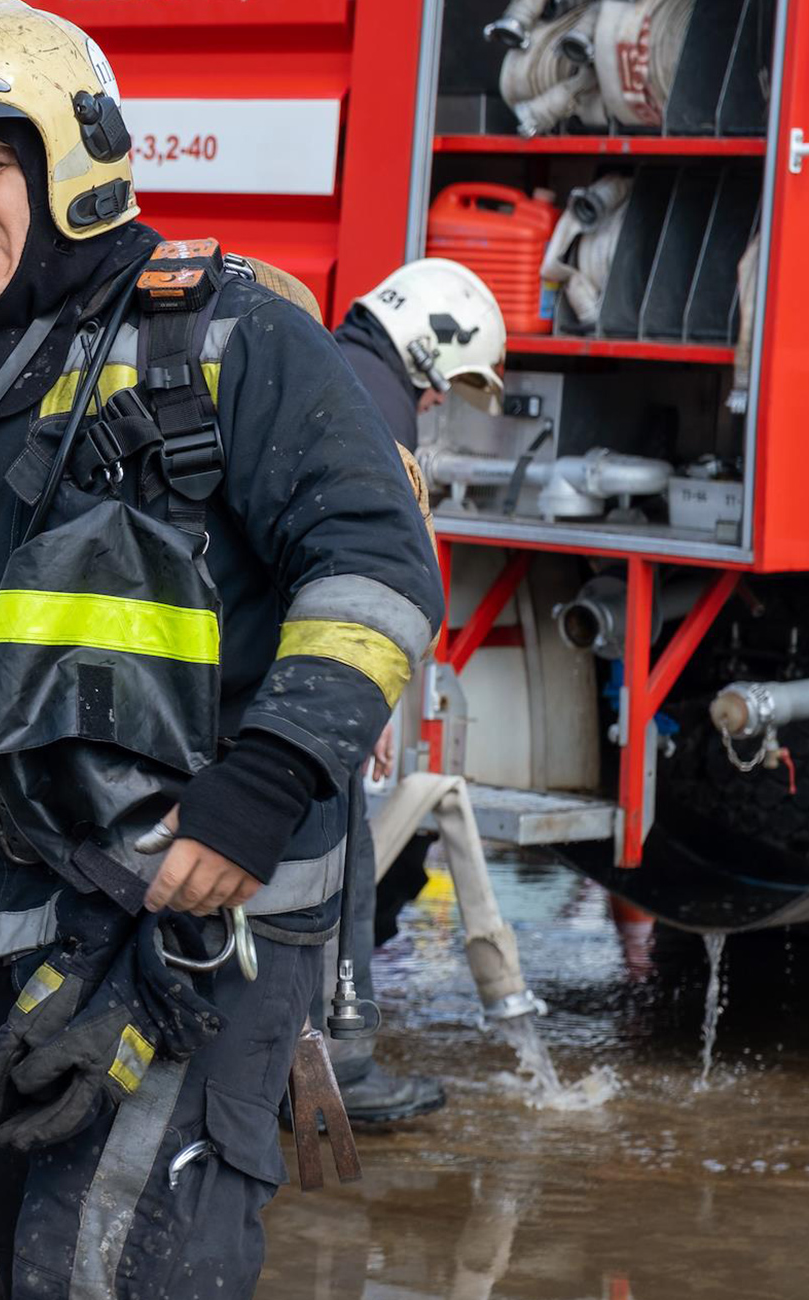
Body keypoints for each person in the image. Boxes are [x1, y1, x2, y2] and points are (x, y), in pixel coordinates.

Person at [0, 3, 443, 1297]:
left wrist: (262, 787)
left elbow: (376, 568)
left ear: (68, 164)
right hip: (0, 924)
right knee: (45, 1267)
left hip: (202, 919)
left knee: (105, 1276)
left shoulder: (225, 340)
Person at [324, 258, 509, 1123]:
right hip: (309, 670)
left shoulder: (335, 367)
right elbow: (357, 563)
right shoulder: (376, 408)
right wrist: (357, 697)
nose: (437, 402)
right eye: (444, 383)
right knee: (342, 863)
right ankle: (340, 1071)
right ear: (425, 345)